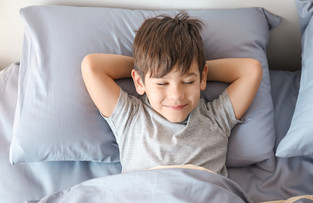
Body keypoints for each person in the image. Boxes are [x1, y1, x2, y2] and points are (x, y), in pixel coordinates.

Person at [81, 12, 262, 177]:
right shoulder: (130, 117)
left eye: (188, 82)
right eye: (161, 83)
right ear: (138, 82)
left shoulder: (216, 119)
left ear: (202, 77)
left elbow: (251, 70)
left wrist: (194, 69)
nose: (176, 95)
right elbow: (92, 66)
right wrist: (148, 69)